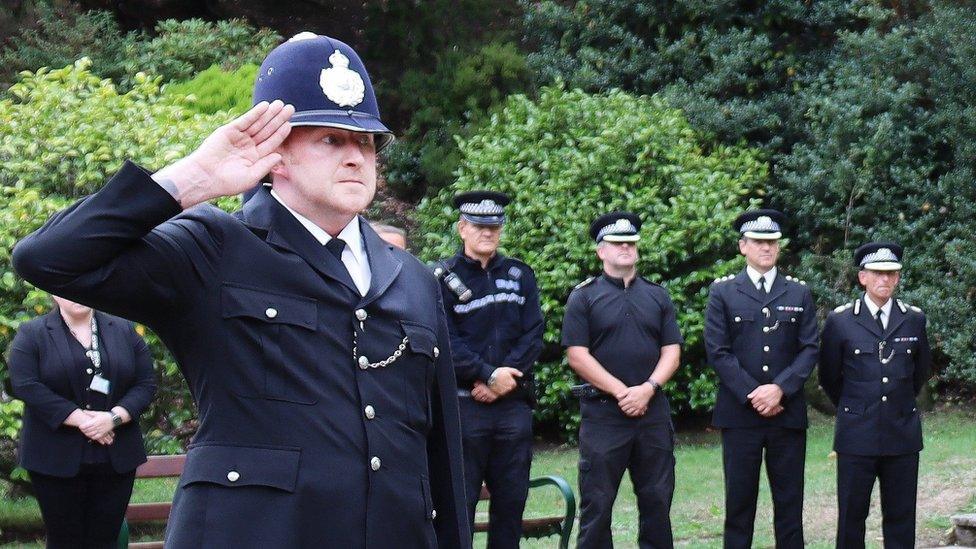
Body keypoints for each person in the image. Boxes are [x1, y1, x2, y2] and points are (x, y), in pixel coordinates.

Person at [13, 33, 469, 548]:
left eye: (364, 141)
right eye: (330, 140)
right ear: (276, 155)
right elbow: (48, 258)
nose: (355, 158)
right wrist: (194, 179)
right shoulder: (215, 247)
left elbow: (439, 448)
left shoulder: (410, 276)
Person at [561, 211, 683, 549]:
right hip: (604, 417)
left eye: (631, 242)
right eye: (617, 243)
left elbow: (671, 351)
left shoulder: (658, 296)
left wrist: (647, 389)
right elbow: (577, 356)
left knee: (657, 503)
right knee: (597, 507)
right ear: (601, 251)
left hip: (652, 415)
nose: (625, 248)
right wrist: (621, 392)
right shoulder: (583, 297)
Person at [434, 191, 544, 548]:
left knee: (511, 505)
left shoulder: (520, 274)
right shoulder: (441, 278)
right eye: (480, 226)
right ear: (462, 228)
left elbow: (533, 333)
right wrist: (486, 373)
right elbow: (445, 341)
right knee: (459, 506)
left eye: (494, 226)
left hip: (512, 407)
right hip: (466, 410)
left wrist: (503, 379)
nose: (488, 233)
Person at [703, 209, 818, 549]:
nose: (766, 248)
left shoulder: (798, 292)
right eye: (758, 242)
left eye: (772, 242)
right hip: (740, 415)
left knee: (789, 503)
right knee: (739, 504)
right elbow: (717, 351)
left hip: (787, 412)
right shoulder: (723, 292)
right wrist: (755, 393)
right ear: (743, 246)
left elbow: (810, 348)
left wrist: (780, 389)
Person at [8, 296, 156, 549]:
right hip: (54, 458)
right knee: (65, 541)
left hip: (116, 457)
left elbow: (146, 384)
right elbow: (25, 385)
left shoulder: (124, 330)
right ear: (53, 294)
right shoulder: (32, 333)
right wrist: (83, 421)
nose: (76, 295)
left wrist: (113, 418)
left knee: (105, 539)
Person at [819, 242, 931, 549]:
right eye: (878, 273)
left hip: (901, 433)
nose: (885, 279)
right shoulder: (841, 321)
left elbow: (919, 373)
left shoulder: (914, 319)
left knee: (901, 517)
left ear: (897, 278)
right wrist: (856, 407)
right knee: (851, 518)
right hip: (857, 434)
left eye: (891, 273)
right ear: (863, 278)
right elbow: (829, 376)